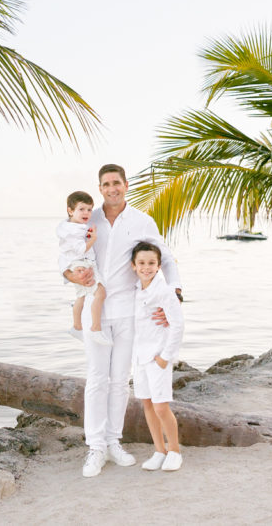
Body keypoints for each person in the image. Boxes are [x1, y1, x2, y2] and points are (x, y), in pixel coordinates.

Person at [61, 164, 182, 478]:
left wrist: (174, 293)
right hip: (94, 309)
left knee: (119, 381)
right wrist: (69, 273)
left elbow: (164, 258)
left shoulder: (142, 221)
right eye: (106, 184)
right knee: (96, 378)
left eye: (117, 183)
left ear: (126, 185)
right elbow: (66, 256)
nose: (112, 188)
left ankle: (114, 442)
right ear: (100, 188)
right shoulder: (88, 217)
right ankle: (96, 447)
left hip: (130, 311)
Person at [130, 240, 184, 471]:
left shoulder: (164, 291)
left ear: (159, 265)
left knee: (161, 406)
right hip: (139, 357)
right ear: (134, 265)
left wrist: (165, 356)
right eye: (141, 263)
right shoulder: (134, 290)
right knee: (148, 405)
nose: (146, 267)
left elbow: (177, 325)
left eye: (151, 263)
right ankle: (159, 451)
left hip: (158, 357)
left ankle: (174, 451)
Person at [56, 190, 110, 345]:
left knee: (81, 296)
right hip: (82, 262)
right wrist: (93, 239)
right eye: (81, 209)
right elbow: (80, 249)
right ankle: (95, 328)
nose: (86, 213)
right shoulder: (74, 230)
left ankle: (77, 327)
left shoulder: (70, 227)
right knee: (100, 292)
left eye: (89, 209)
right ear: (70, 210)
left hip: (78, 262)